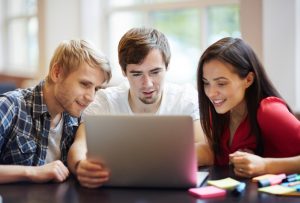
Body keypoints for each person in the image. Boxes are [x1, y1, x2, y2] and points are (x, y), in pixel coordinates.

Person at [68, 27, 205, 188]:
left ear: (167, 66)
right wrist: (80, 166)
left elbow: (206, 149)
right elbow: (79, 145)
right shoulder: (105, 101)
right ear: (124, 72)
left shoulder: (185, 99)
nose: (147, 84)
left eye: (155, 72)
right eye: (137, 74)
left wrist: (149, 158)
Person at [0, 39, 111, 184]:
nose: (91, 97)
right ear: (57, 73)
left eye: (96, 89)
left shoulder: (78, 117)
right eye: (84, 84)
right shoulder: (10, 106)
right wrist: (31, 172)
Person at [196, 37, 300, 177]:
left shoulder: (269, 111)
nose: (210, 93)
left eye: (221, 83)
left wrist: (265, 165)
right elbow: (215, 154)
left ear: (248, 80)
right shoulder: (218, 112)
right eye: (206, 83)